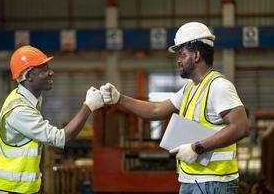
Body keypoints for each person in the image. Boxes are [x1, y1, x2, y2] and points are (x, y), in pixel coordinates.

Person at [100, 22, 249, 194]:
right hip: (192, 179)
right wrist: (119, 98)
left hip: (214, 183)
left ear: (197, 55)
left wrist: (196, 147)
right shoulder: (189, 89)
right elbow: (157, 111)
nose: (178, 60)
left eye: (182, 54)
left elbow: (241, 127)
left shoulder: (218, 86)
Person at [0, 45, 104, 193]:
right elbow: (60, 138)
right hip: (10, 188)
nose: (51, 73)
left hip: (18, 187)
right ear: (28, 77)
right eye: (44, 69)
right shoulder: (20, 111)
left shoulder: (26, 98)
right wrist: (89, 106)